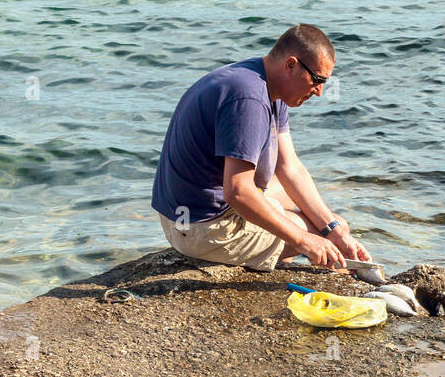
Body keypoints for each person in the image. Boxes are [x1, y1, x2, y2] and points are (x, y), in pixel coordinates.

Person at [152, 25, 370, 272]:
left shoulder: (267, 83)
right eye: (317, 80)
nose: (320, 92)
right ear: (291, 65)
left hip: (183, 214)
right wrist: (303, 240)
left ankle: (279, 252)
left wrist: (334, 230)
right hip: (199, 229)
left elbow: (290, 168)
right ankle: (278, 259)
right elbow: (238, 192)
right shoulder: (249, 99)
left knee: (328, 226)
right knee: (323, 237)